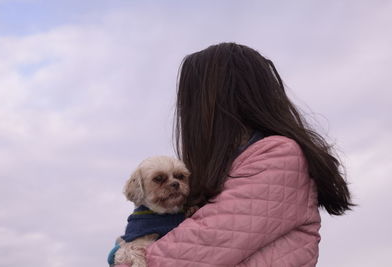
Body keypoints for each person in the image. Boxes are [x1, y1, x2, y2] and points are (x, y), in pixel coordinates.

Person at [114, 42, 354, 267]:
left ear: (215, 101)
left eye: (190, 101)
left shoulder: (278, 156)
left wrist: (126, 257)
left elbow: (197, 247)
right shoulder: (232, 164)